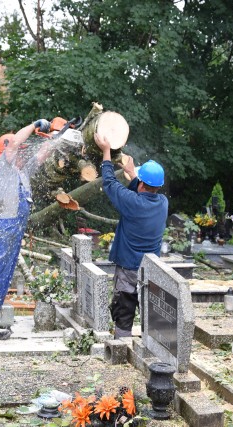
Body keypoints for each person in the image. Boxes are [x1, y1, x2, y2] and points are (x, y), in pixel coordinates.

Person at [0, 119, 57, 350]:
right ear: (5, 152)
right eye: (19, 151)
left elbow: (43, 154)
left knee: (3, 281)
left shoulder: (21, 172)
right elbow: (15, 142)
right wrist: (36, 124)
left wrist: (58, 136)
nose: (23, 153)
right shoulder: (2, 168)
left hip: (13, 232)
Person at [93, 132, 168, 339]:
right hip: (150, 268)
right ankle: (151, 343)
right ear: (158, 186)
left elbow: (109, 182)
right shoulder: (163, 203)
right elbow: (144, 190)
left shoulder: (131, 202)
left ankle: (122, 342)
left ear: (142, 184)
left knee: (124, 308)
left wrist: (106, 151)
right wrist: (134, 175)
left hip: (128, 267)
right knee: (149, 309)